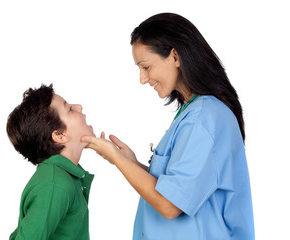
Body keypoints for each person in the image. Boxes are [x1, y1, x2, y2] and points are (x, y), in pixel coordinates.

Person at [81, 13, 254, 239]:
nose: (142, 79)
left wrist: (118, 159)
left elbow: (171, 204)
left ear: (175, 56)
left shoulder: (204, 118)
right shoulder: (193, 112)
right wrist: (132, 163)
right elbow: (178, 186)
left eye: (146, 67)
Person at [7, 84, 95, 240]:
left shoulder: (64, 177)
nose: (79, 107)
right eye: (69, 109)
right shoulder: (54, 185)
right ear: (59, 135)